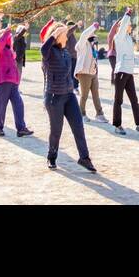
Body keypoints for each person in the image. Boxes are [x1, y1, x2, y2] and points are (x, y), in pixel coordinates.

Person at [40, 21, 96, 171]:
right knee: (56, 130)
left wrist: (74, 27)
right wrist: (55, 33)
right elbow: (44, 48)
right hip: (54, 97)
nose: (68, 38)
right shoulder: (49, 52)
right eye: (64, 35)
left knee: (78, 126)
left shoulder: (65, 51)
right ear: (57, 37)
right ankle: (51, 156)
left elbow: (72, 35)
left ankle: (84, 158)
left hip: (69, 95)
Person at [109, 14, 139, 136]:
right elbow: (123, 26)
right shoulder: (119, 37)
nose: (131, 27)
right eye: (129, 25)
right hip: (121, 71)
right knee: (118, 100)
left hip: (128, 72)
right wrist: (126, 15)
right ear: (124, 26)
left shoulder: (128, 38)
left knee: (134, 100)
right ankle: (117, 125)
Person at [0, 26, 33, 137]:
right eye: (8, 37)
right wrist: (6, 31)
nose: (10, 38)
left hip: (13, 82)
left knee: (19, 104)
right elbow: (1, 42)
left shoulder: (9, 49)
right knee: (1, 105)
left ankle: (21, 128)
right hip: (3, 80)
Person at [75, 24, 106, 121]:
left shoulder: (92, 47)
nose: (94, 38)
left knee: (96, 95)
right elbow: (84, 35)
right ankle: (81, 114)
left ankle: (99, 114)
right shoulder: (82, 44)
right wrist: (93, 27)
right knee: (84, 95)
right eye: (92, 36)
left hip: (93, 73)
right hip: (84, 73)